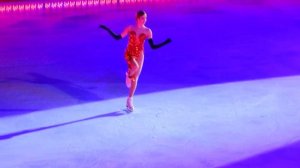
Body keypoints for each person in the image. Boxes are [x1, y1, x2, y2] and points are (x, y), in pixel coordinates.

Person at [100, 10, 171, 112]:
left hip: (140, 54)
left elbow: (153, 46)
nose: (145, 20)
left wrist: (165, 42)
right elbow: (117, 37)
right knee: (135, 68)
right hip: (129, 53)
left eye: (146, 18)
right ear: (137, 18)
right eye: (143, 18)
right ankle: (128, 75)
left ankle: (129, 100)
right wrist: (107, 29)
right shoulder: (130, 28)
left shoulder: (148, 31)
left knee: (136, 78)